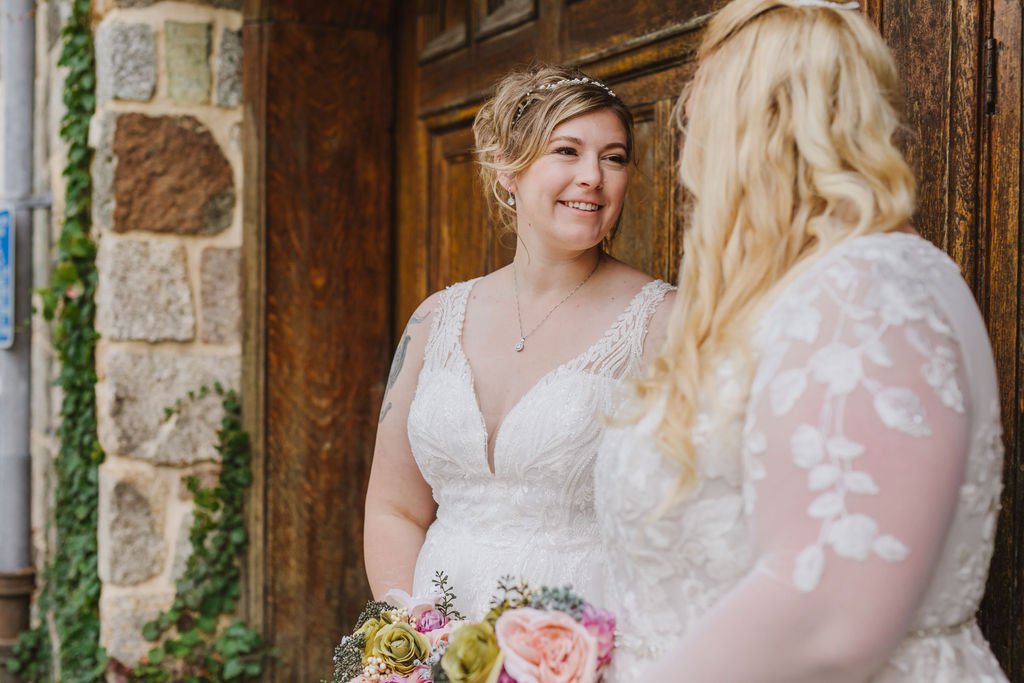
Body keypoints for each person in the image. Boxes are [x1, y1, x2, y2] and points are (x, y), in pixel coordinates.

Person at [595, 1, 1009, 681]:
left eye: (698, 109)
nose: (684, 137)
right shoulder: (799, 291)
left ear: (749, 125)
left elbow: (826, 614)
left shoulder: (869, 292)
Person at [364, 64, 675, 619]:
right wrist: (406, 644)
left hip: (588, 638)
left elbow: (688, 520)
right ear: (508, 168)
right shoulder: (434, 321)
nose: (592, 177)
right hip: (437, 644)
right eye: (567, 150)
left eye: (614, 156)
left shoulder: (665, 321)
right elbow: (394, 508)